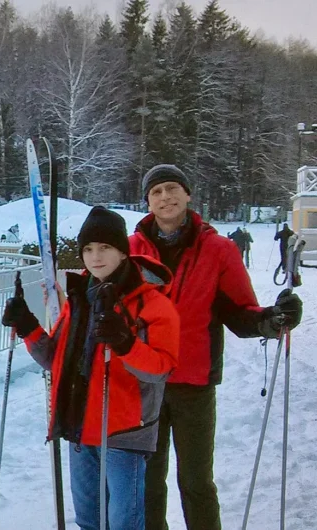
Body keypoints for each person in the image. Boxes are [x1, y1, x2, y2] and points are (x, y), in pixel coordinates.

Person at [129, 164, 303, 530]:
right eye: (156, 191)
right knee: (146, 481)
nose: (165, 197)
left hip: (194, 384)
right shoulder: (130, 250)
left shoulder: (218, 249)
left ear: (188, 194)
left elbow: (240, 312)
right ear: (147, 201)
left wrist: (273, 318)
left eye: (173, 188)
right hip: (142, 383)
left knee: (196, 482)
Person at [2, 207, 179, 530]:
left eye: (105, 247)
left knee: (124, 523)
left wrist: (125, 344)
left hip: (125, 432)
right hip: (81, 427)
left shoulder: (152, 303)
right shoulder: (79, 299)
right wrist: (27, 326)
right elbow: (57, 361)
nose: (95, 257)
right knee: (89, 521)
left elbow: (160, 370)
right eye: (88, 249)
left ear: (123, 252)